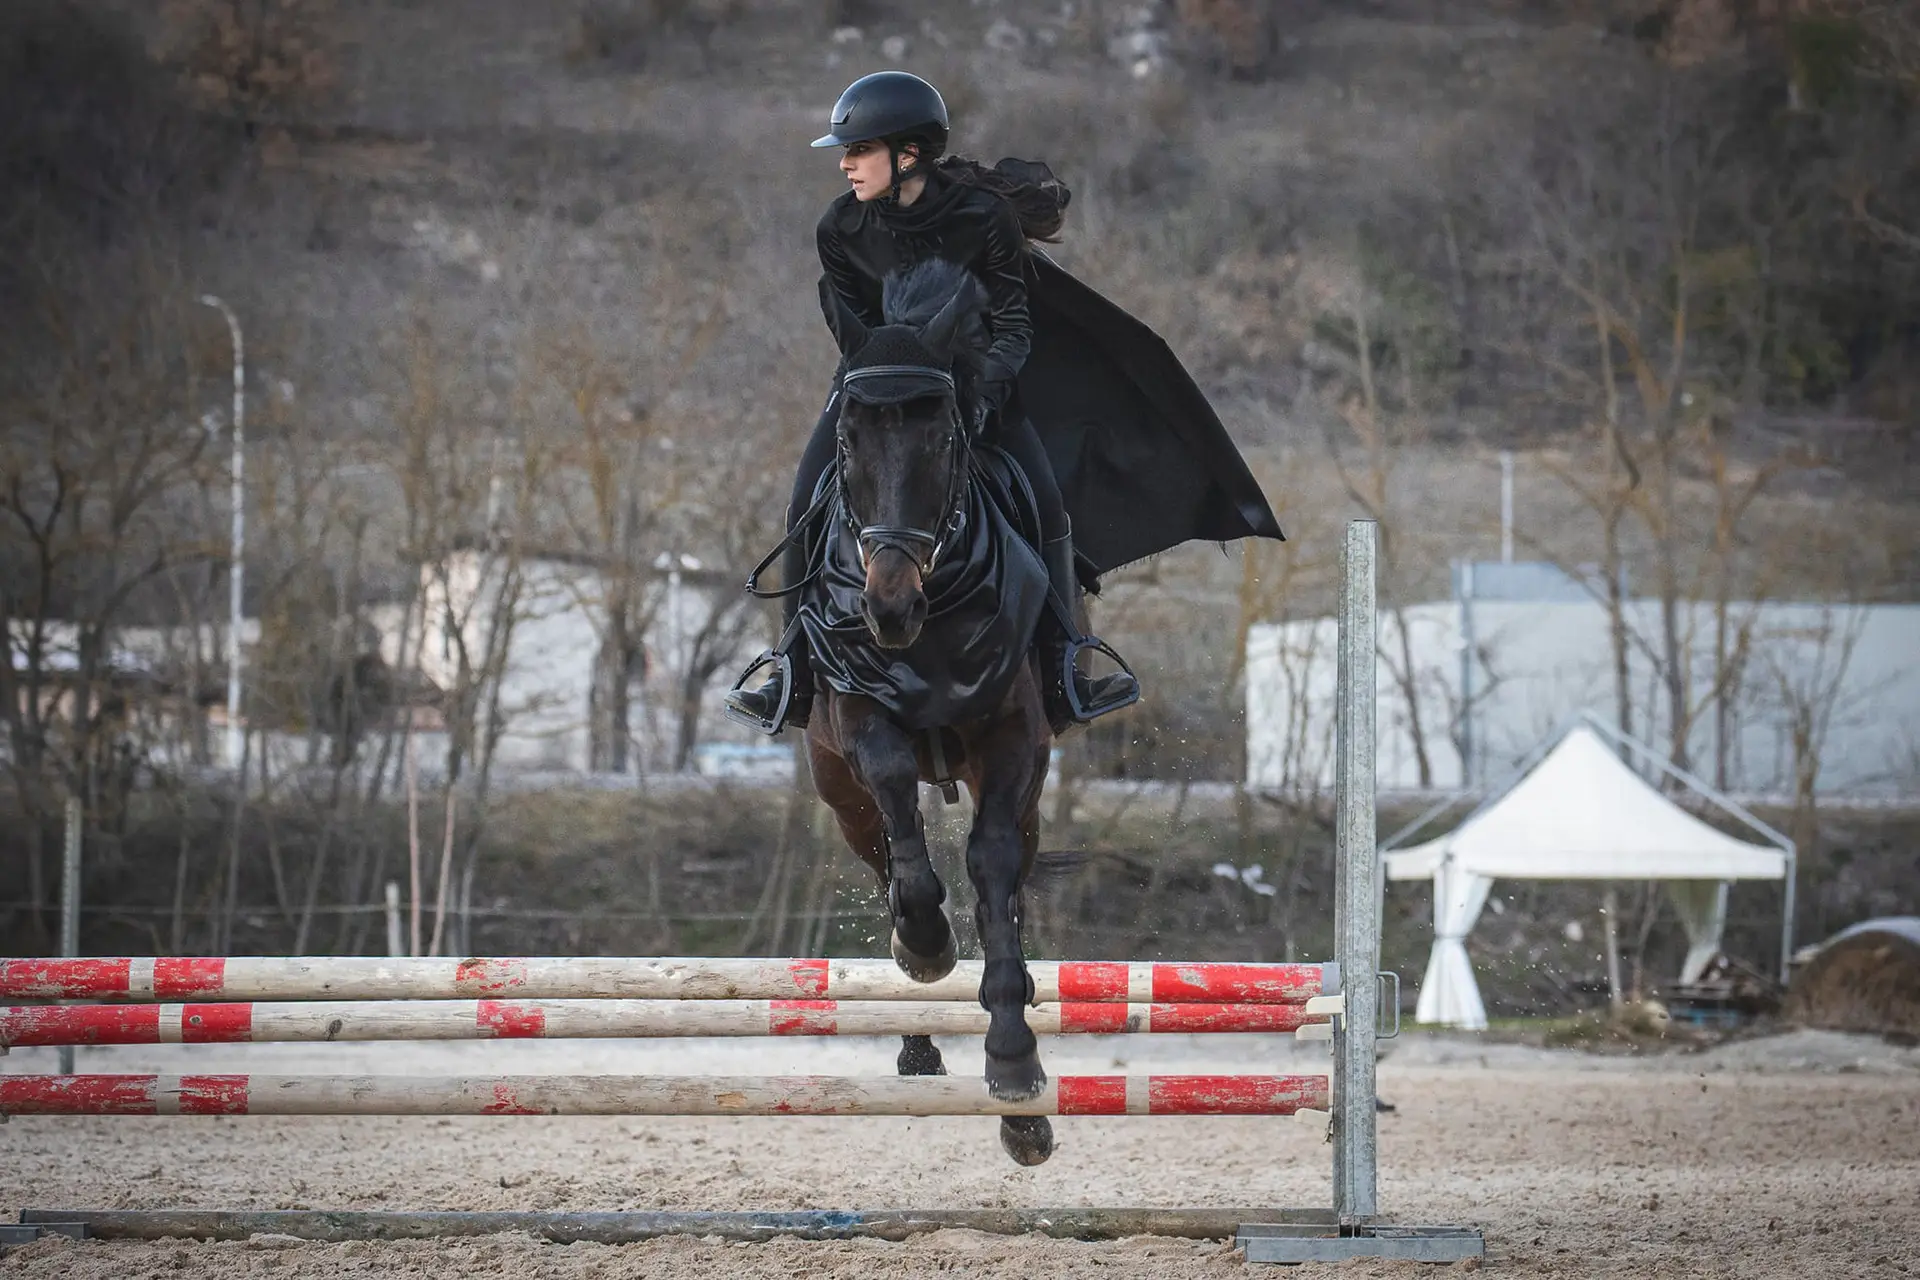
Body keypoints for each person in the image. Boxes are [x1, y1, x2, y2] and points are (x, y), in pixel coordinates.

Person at [728, 71, 1284, 734]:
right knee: (804, 498)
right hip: (875, 392)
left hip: (977, 385)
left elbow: (1016, 324)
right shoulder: (839, 229)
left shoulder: (981, 220)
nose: (845, 164)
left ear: (908, 154)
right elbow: (853, 334)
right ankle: (792, 668)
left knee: (1044, 503)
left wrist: (982, 392)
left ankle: (1066, 662)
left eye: (859, 150)